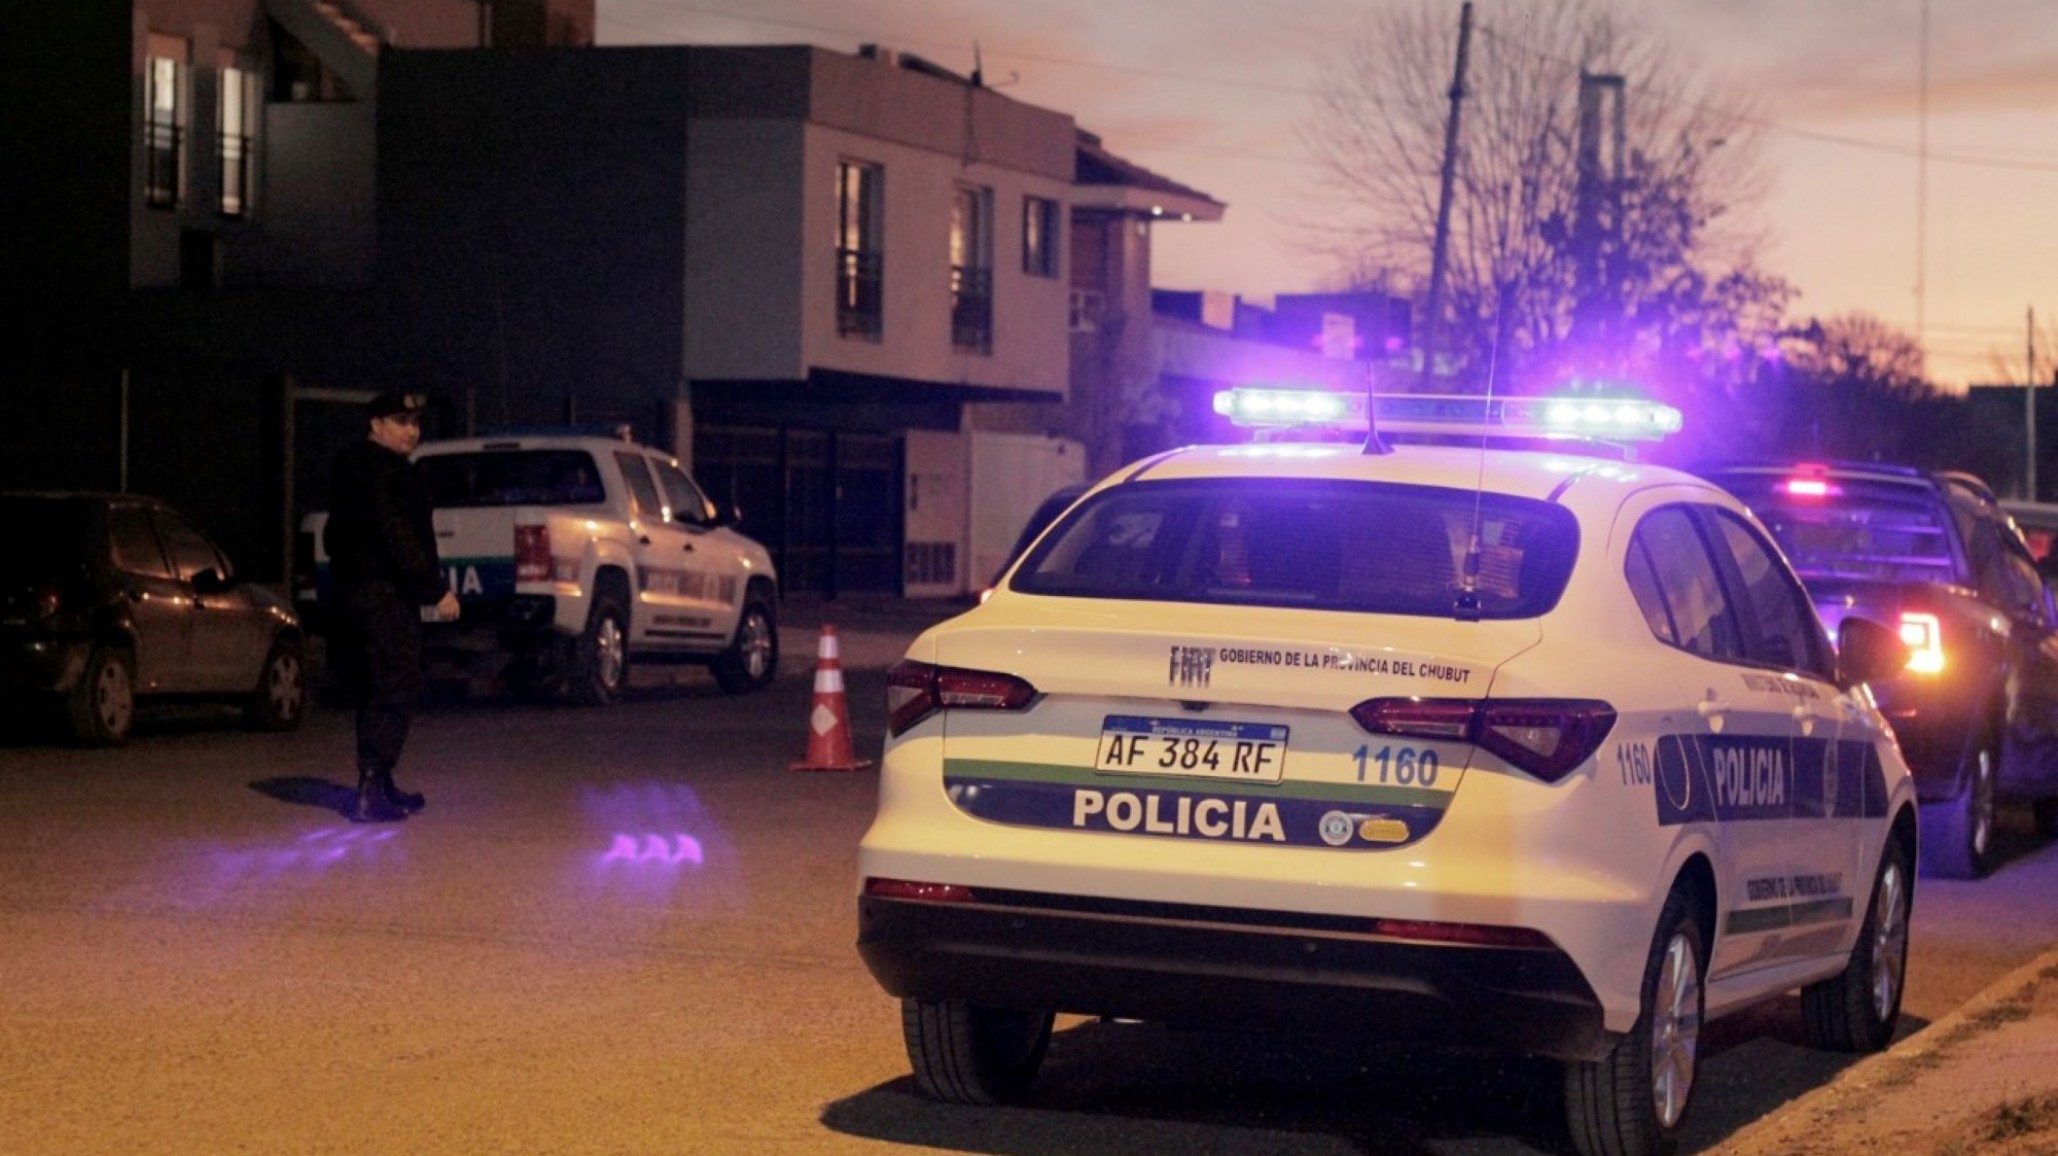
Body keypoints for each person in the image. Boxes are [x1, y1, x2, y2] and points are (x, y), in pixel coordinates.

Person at [324, 390, 460, 823]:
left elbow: (333, 535)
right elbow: (399, 535)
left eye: (416, 423)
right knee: (395, 685)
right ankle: (371, 788)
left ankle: (379, 781)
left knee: (372, 687)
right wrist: (435, 590)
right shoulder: (390, 474)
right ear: (376, 424)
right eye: (402, 422)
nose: (411, 431)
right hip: (386, 596)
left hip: (352, 594)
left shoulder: (349, 467)